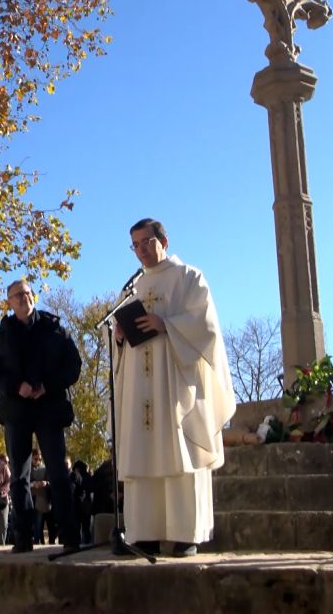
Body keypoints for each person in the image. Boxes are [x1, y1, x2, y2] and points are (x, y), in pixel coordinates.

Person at [112, 218, 237, 558]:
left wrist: (165, 324)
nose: (140, 251)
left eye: (146, 243)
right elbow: (120, 330)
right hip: (141, 389)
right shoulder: (132, 289)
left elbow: (207, 328)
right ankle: (144, 533)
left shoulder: (189, 278)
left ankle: (185, 534)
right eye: (135, 246)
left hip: (176, 384)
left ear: (163, 239)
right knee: (143, 452)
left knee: (179, 451)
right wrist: (119, 338)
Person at [0, 279, 82, 554]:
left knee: (59, 473)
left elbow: (74, 365)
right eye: (17, 295)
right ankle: (23, 537)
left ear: (33, 296)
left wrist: (47, 385)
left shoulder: (53, 327)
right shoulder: (2, 335)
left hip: (49, 409)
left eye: (27, 293)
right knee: (19, 477)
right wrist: (16, 387)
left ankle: (70, 536)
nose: (24, 298)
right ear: (10, 302)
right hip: (17, 412)